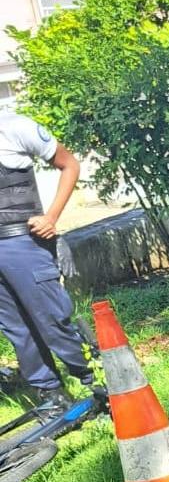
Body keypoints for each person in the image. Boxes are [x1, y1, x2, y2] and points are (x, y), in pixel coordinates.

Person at [0, 112, 95, 411]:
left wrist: (51, 217)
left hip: (21, 242)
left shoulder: (14, 127)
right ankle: (51, 395)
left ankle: (98, 378)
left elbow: (70, 164)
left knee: (51, 318)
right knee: (17, 328)